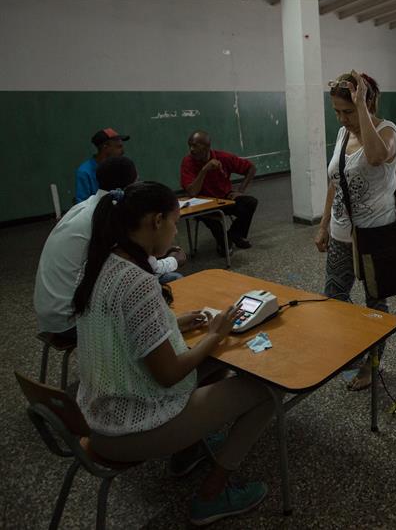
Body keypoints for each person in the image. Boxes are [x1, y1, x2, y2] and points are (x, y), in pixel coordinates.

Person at [72, 181, 274, 525]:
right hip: (129, 429)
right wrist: (213, 335)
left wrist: (172, 323)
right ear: (156, 221)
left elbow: (122, 331)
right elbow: (168, 373)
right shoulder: (138, 282)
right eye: (175, 222)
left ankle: (187, 451)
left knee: (213, 364)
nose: (175, 230)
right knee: (266, 391)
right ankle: (212, 495)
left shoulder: (98, 266)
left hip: (98, 415)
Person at [34, 157, 185, 340]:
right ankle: (167, 341)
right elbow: (140, 269)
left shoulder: (88, 207)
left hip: (51, 315)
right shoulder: (113, 219)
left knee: (165, 282)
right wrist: (174, 261)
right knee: (173, 282)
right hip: (73, 321)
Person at [314, 70, 396, 391]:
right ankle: (357, 346)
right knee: (333, 296)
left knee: (375, 304)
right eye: (337, 111)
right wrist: (323, 226)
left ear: (367, 102)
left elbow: (376, 157)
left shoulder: (387, 132)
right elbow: (336, 183)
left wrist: (361, 107)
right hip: (340, 234)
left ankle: (372, 364)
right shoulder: (341, 135)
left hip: (376, 235)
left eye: (347, 111)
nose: (342, 118)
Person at [180, 131, 258, 256]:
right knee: (213, 221)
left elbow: (251, 168)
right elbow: (192, 191)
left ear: (207, 147)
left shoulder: (223, 157)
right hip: (202, 203)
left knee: (250, 202)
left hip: (224, 198)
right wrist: (204, 169)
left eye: (195, 146)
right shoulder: (187, 162)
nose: (191, 150)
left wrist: (240, 191)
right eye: (190, 145)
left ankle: (234, 236)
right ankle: (224, 243)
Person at [75, 128, 129, 202]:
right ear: (105, 147)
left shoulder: (122, 168)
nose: (123, 151)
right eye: (118, 147)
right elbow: (82, 205)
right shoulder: (85, 172)